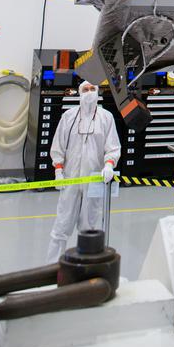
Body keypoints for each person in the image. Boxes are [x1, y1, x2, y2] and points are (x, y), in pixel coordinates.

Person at [47, 81, 120, 263]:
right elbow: (58, 147)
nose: (89, 93)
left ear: (98, 92)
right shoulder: (69, 117)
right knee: (61, 226)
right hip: (70, 180)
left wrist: (109, 165)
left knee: (90, 227)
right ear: (79, 93)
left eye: (92, 89)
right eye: (85, 90)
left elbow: (112, 147)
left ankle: (87, 266)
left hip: (93, 181)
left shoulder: (106, 117)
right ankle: (52, 268)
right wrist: (58, 171)